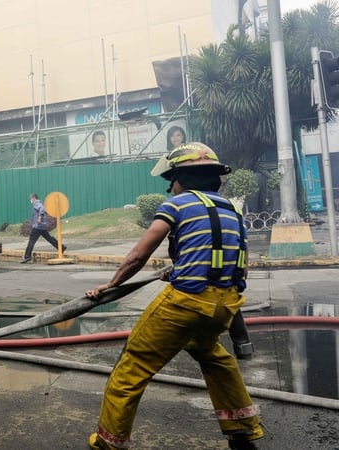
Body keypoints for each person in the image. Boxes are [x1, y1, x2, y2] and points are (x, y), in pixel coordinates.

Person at [84, 142, 263, 450]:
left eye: (172, 181)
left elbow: (137, 256)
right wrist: (183, 268)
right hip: (226, 304)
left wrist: (109, 287)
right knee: (212, 354)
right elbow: (237, 262)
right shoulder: (232, 208)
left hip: (186, 302)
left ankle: (107, 441)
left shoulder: (177, 205)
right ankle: (243, 429)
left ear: (181, 178)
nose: (171, 187)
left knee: (134, 362)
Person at [21, 193, 66, 263]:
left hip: (37, 226)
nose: (31, 200)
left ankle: (27, 256)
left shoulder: (37, 203)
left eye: (31, 199)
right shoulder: (41, 203)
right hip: (42, 226)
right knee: (49, 238)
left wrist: (39, 218)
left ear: (34, 198)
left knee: (31, 241)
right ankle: (61, 247)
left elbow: (41, 209)